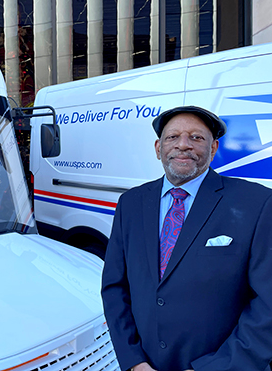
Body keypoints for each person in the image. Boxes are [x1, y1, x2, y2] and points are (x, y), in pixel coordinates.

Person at [101, 105, 272, 371]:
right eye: (173, 137)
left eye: (196, 137)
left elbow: (267, 305)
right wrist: (134, 361)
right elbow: (115, 288)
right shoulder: (131, 203)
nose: (183, 145)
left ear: (213, 148)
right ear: (158, 148)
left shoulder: (257, 203)